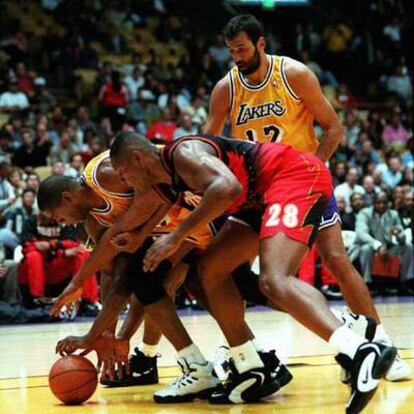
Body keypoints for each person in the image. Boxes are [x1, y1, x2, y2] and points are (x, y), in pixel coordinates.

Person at [109, 131, 396, 411]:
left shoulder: (184, 153)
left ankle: (361, 350)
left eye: (122, 173)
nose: (123, 181)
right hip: (259, 198)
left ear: (137, 158)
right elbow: (159, 207)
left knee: (274, 279)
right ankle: (249, 365)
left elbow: (227, 188)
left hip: (293, 176)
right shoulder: (162, 178)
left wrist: (174, 238)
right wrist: (138, 237)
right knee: (206, 271)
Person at [203, 14, 410, 381]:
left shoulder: (294, 74)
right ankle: (241, 352)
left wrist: (311, 169)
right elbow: (208, 143)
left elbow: (334, 128)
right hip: (258, 192)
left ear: (261, 44)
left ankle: (382, 346)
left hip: (302, 183)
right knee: (227, 269)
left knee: (336, 260)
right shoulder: (226, 88)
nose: (237, 56)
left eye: (243, 48)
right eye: (231, 50)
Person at [37, 155, 222, 402]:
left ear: (67, 198)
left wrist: (104, 335)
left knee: (164, 281)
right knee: (152, 280)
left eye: (60, 218)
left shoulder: (106, 174)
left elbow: (164, 187)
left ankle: (234, 357)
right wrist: (106, 334)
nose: (64, 224)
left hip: (202, 206)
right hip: (180, 228)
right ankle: (164, 361)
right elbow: (112, 273)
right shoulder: (94, 221)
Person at [355, 192, 414, 293]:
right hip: (371, 247)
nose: (381, 205)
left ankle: (405, 282)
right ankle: (368, 284)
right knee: (365, 249)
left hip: (388, 247)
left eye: (384, 203)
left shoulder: (393, 214)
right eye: (378, 203)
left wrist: (398, 234)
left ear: (388, 204)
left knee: (408, 247)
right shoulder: (364, 213)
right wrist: (377, 245)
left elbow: (402, 238)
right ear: (373, 203)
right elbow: (361, 233)